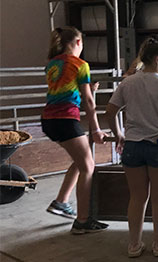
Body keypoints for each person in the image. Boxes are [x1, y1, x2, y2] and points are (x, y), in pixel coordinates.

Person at [105, 39, 158, 258]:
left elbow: (110, 111)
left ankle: (134, 245)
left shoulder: (127, 83)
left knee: (137, 197)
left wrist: (118, 135)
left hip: (132, 146)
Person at [42, 26, 109, 234]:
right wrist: (96, 129)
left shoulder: (52, 64)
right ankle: (82, 221)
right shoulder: (81, 65)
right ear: (78, 43)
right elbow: (88, 101)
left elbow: (64, 90)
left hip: (48, 120)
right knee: (88, 166)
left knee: (81, 160)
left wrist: (89, 88)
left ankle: (62, 201)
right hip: (65, 120)